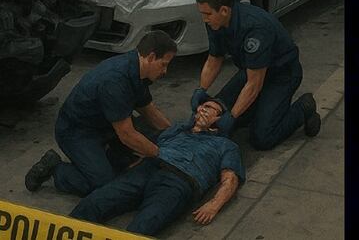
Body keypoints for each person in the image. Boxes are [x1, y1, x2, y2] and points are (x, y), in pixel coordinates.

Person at [24, 33, 177, 196]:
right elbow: (126, 134)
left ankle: (106, 159)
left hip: (106, 124)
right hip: (76, 132)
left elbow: (149, 111)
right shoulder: (115, 81)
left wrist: (175, 133)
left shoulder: (139, 72)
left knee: (152, 136)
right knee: (104, 185)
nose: (165, 71)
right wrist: (161, 154)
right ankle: (56, 169)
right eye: (164, 65)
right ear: (151, 57)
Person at [69, 94, 245, 235]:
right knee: (95, 202)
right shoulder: (177, 130)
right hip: (148, 168)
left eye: (209, 108)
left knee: (143, 226)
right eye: (201, 106)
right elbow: (151, 148)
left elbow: (230, 179)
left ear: (220, 119)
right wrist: (135, 166)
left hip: (179, 181)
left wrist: (214, 205)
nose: (202, 110)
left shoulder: (225, 145)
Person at [194, 0, 320, 150]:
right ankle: (257, 111)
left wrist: (232, 116)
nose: (204, 19)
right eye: (202, 14)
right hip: (251, 70)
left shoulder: (255, 29)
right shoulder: (216, 22)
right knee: (223, 114)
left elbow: (254, 84)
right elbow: (214, 59)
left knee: (262, 137)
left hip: (281, 75)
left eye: (207, 14)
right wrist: (201, 89)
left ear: (223, 10)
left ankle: (303, 108)